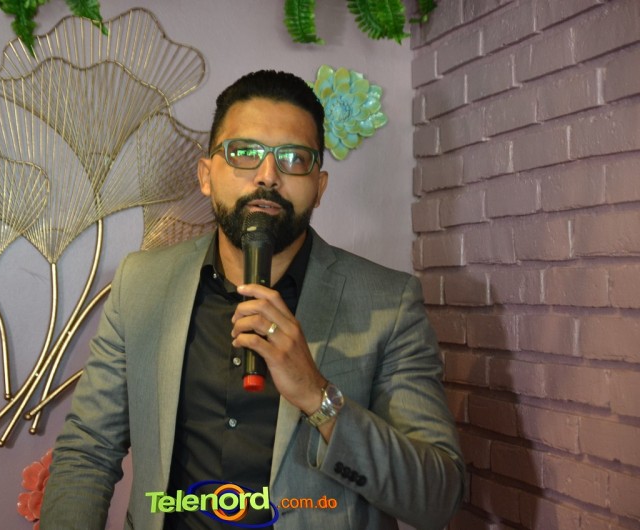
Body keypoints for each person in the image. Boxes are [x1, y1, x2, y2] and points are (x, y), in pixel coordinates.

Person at [40, 70, 464, 530]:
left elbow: (437, 498)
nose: (267, 176)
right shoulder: (141, 284)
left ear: (319, 187)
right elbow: (88, 450)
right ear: (206, 175)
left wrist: (317, 396)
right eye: (244, 153)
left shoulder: (388, 303)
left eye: (293, 158)